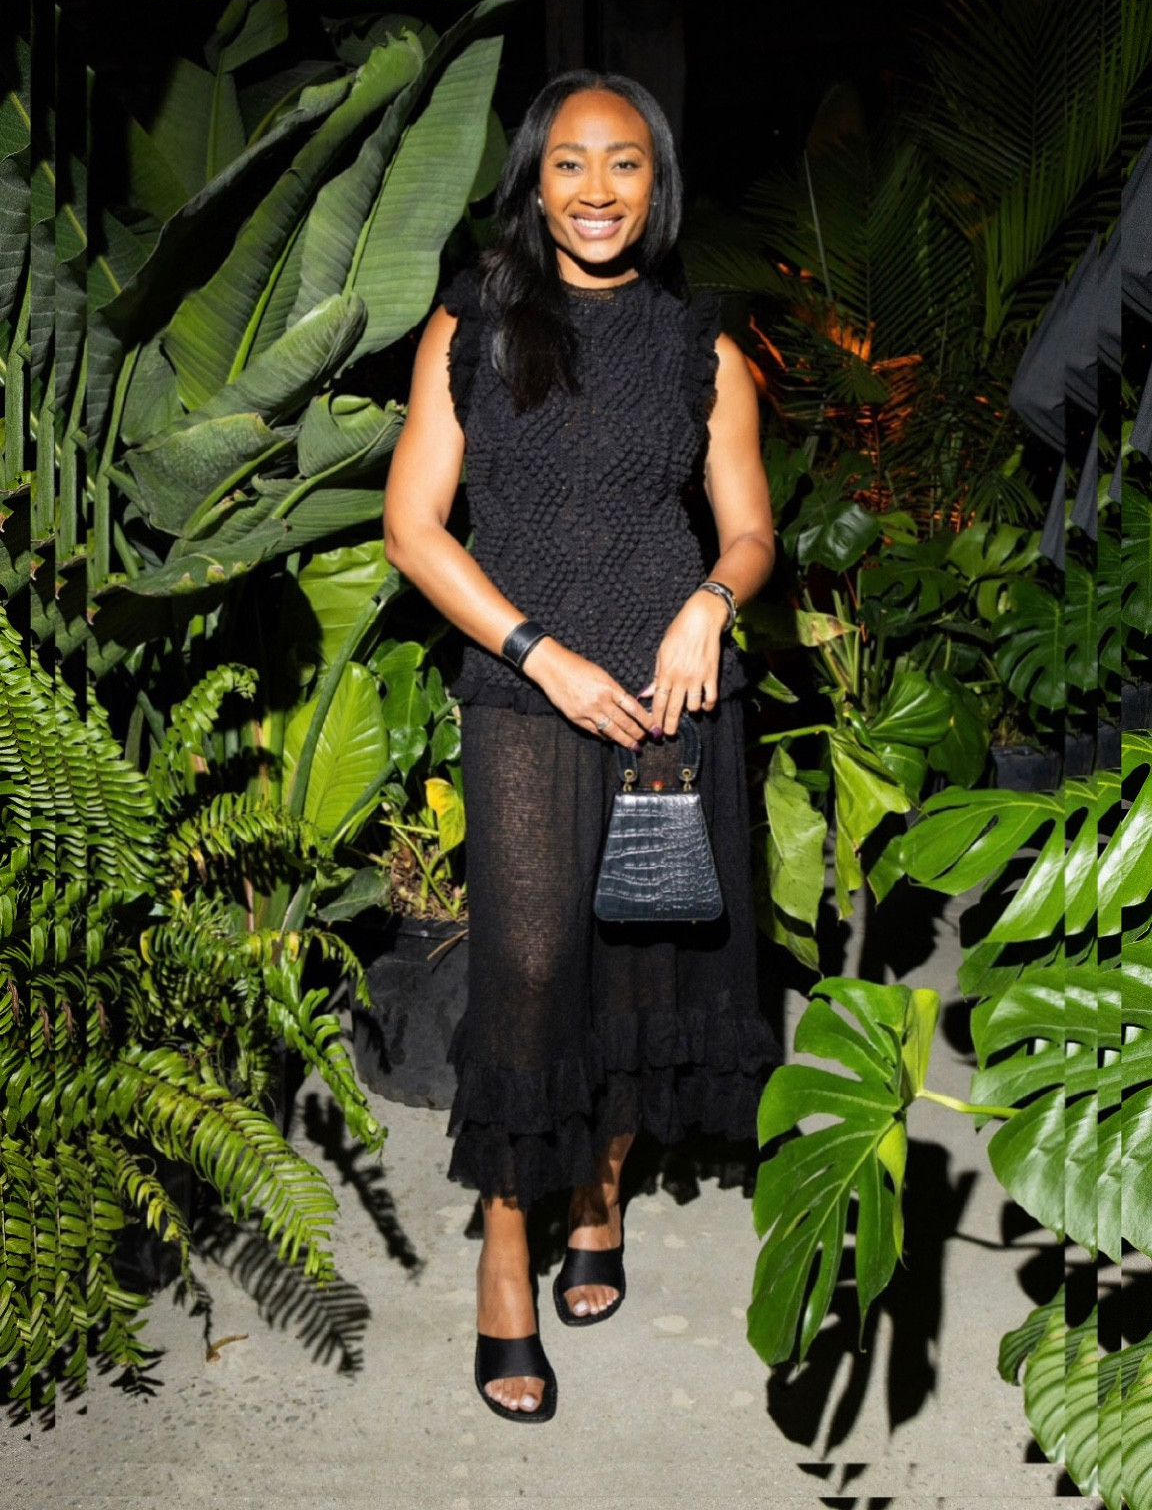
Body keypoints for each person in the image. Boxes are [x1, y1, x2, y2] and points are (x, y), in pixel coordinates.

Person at [383, 69, 780, 1422]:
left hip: (673, 691)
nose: (597, 191)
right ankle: (509, 1248)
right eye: (570, 164)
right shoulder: (475, 324)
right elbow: (414, 528)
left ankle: (601, 1199)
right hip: (527, 689)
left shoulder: (699, 342)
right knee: (532, 961)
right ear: (533, 181)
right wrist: (533, 651)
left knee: (639, 958)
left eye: (624, 164)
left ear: (656, 181)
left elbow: (750, 530)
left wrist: (708, 610)